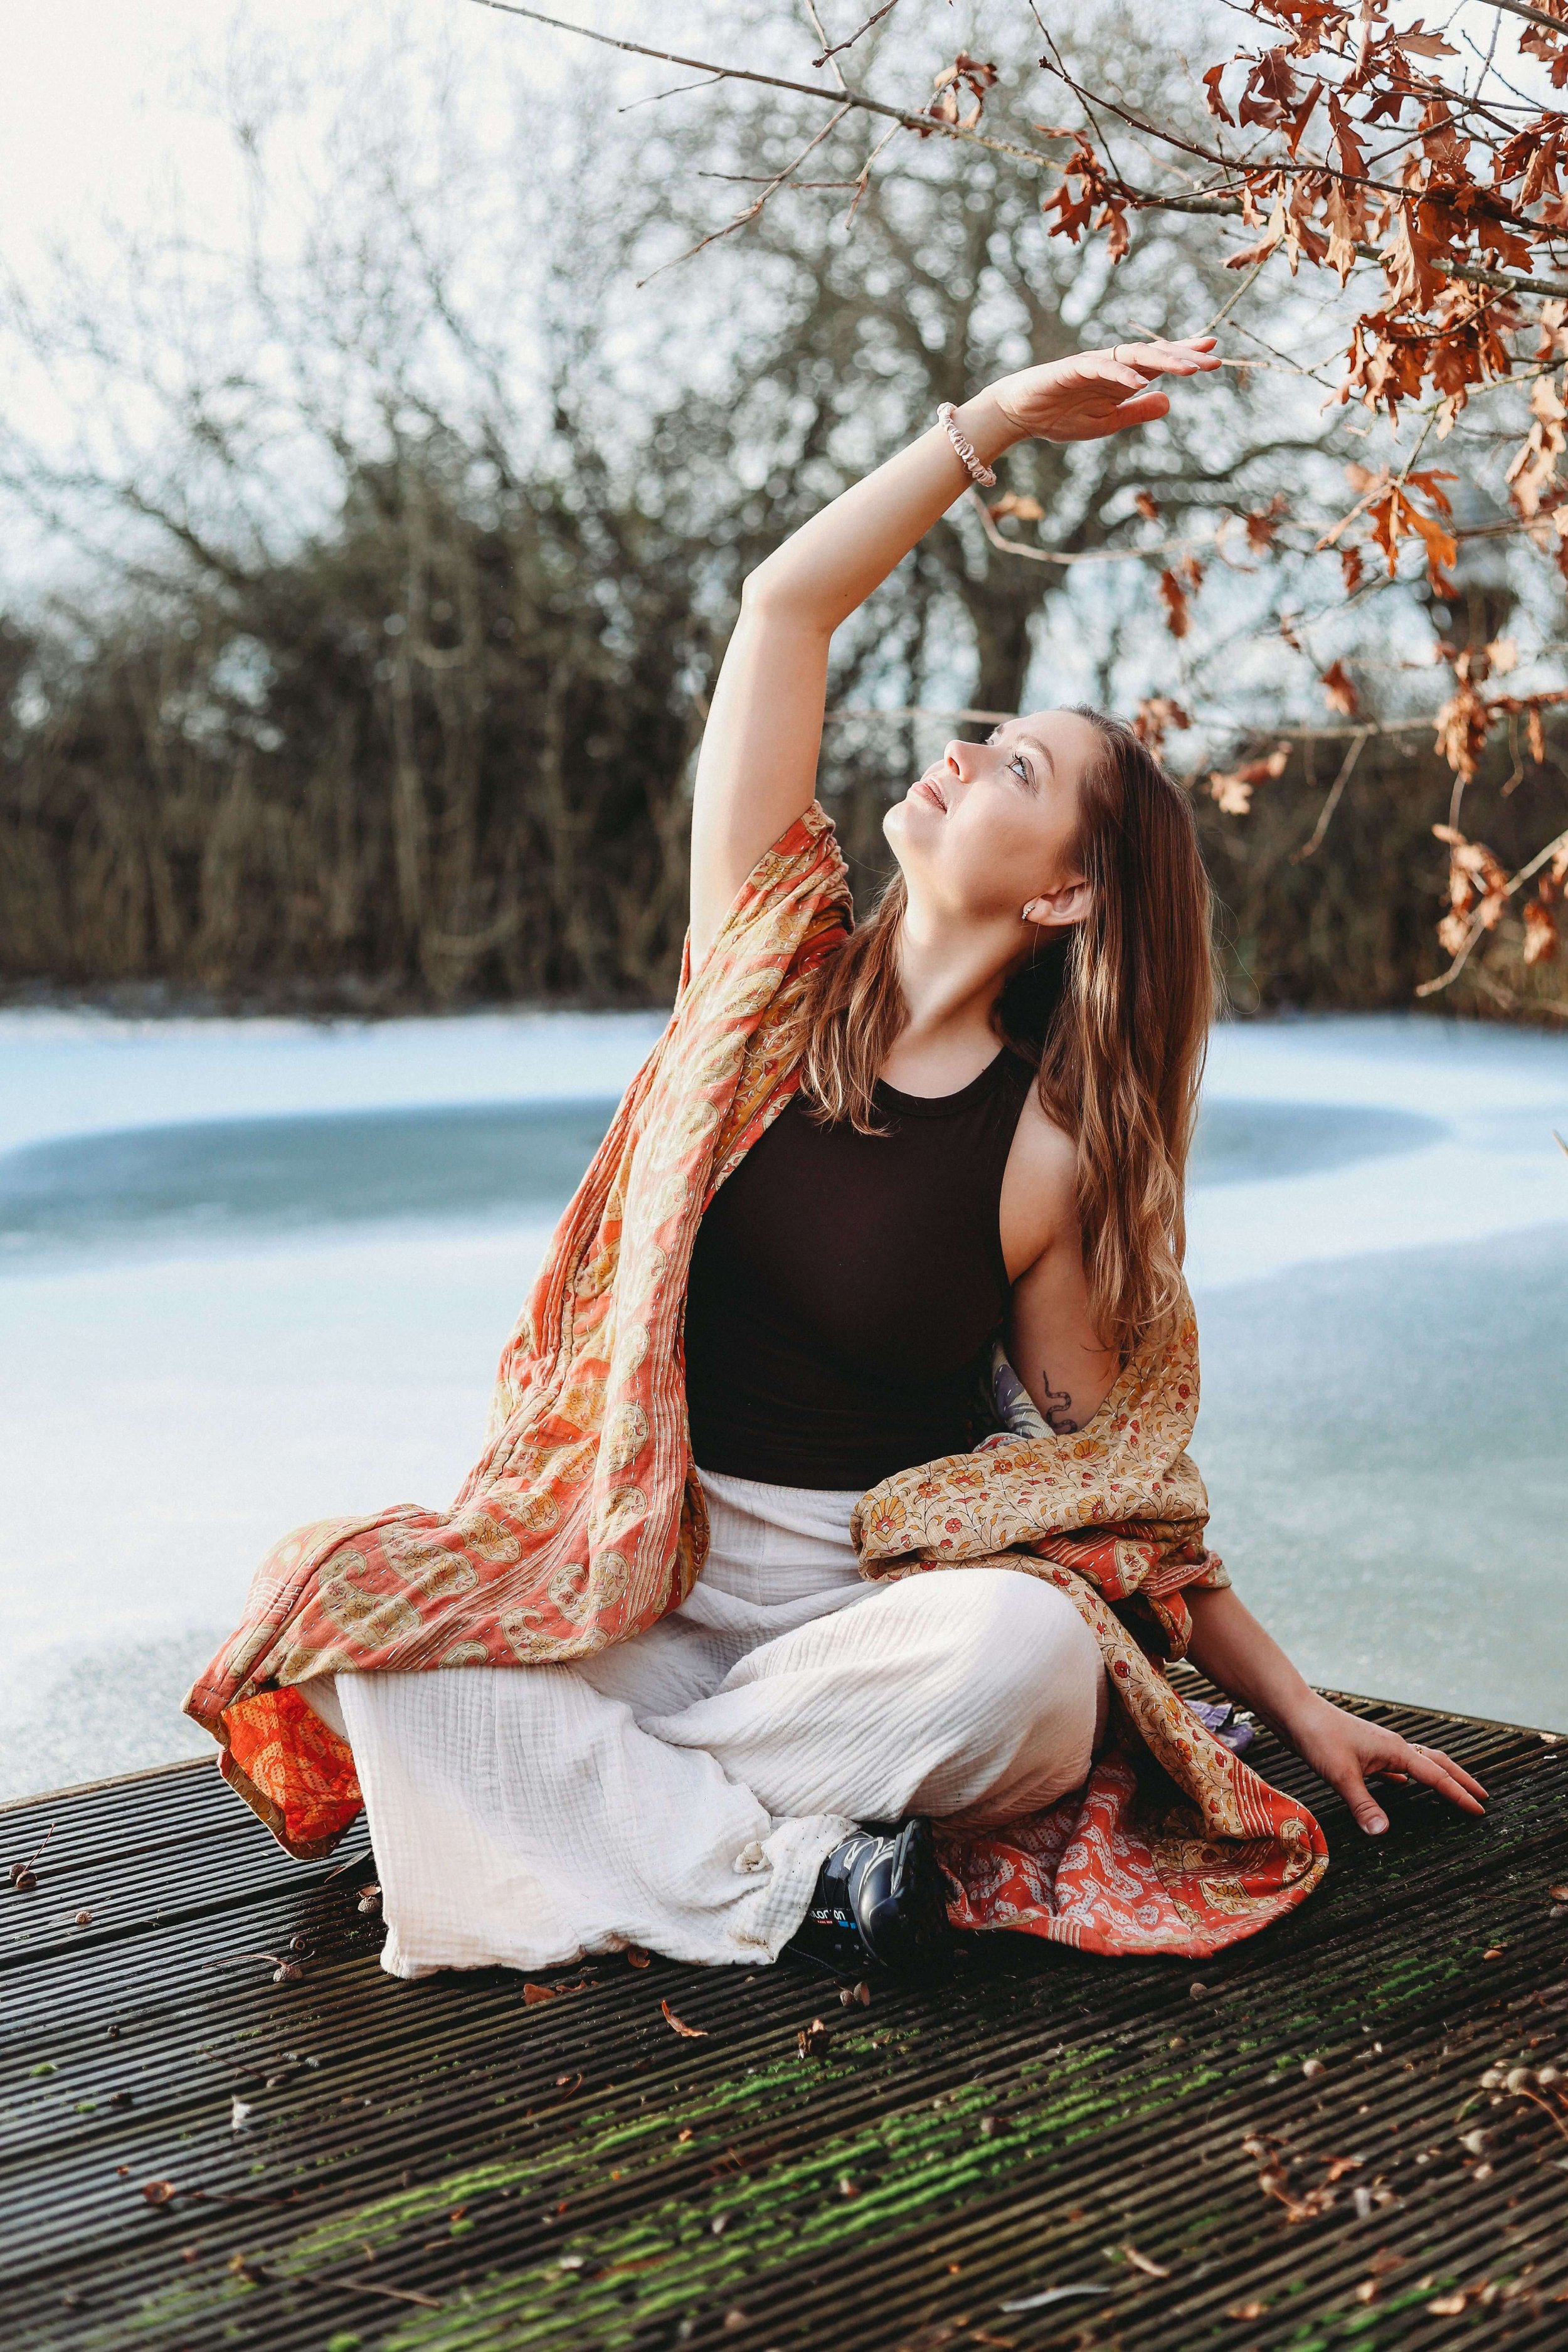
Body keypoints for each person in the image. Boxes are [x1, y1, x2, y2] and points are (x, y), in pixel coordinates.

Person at [196, 337, 1486, 1980]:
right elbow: (783, 610)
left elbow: (1121, 1501)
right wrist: (991, 424)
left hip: (866, 1635)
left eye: (1014, 767)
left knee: (1029, 1655)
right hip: (637, 1594)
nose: (960, 754)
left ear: (1065, 897)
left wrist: (1297, 1710)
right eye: (983, 733)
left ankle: (599, 1837)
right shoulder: (758, 966)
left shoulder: (1045, 1147)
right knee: (355, 1612)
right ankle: (803, 1878)